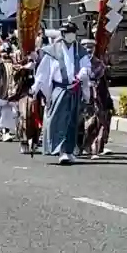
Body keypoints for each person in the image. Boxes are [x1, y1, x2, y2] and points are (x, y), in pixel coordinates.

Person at [32, 20, 91, 165]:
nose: (70, 35)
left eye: (72, 32)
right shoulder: (52, 50)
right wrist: (37, 87)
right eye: (67, 32)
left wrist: (84, 72)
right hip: (59, 89)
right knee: (58, 120)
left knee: (72, 121)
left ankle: (68, 150)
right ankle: (60, 150)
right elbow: (43, 72)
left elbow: (87, 66)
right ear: (63, 34)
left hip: (75, 88)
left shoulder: (80, 50)